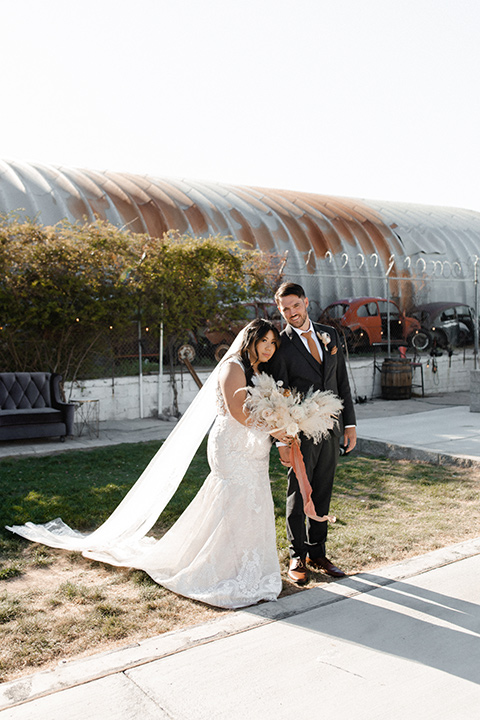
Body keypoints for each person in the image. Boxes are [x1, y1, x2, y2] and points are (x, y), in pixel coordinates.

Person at [8, 319, 285, 610]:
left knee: (251, 502)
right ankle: (221, 568)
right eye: (263, 341)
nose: (268, 348)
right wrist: (274, 428)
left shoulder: (258, 371)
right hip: (232, 446)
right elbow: (237, 412)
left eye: (272, 343)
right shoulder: (232, 367)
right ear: (250, 340)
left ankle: (246, 566)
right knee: (234, 500)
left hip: (253, 448)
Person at [270, 282, 357, 585]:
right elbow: (276, 394)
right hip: (300, 431)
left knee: (323, 488)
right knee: (299, 491)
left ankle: (317, 553)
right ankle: (297, 555)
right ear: (280, 311)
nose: (291, 313)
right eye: (285, 310)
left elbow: (341, 379)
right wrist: (282, 438)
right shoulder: (279, 345)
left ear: (306, 302)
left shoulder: (329, 334)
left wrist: (350, 424)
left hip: (332, 427)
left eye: (295, 306)